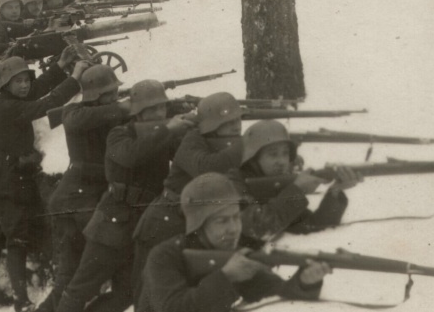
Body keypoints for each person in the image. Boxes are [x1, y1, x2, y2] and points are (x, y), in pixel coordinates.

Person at [55, 80, 195, 312]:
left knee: (127, 294)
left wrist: (196, 132)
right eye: (152, 109)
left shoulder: (163, 135)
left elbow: (185, 158)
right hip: (112, 223)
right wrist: (168, 129)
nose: (158, 113)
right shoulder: (119, 134)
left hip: (143, 226)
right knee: (80, 288)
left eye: (161, 108)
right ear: (137, 112)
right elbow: (131, 156)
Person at [0, 52, 88, 311]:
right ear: (6, 84)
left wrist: (59, 67)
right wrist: (75, 77)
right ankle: (21, 301)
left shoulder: (5, 99)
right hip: (6, 176)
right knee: (16, 236)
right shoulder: (8, 106)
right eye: (19, 81)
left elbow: (37, 90)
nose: (25, 85)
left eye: (26, 79)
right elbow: (45, 103)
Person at [139, 173, 329, 312]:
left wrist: (305, 282)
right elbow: (173, 309)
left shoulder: (232, 254)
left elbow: (275, 289)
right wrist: (226, 277)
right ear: (199, 226)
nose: (233, 228)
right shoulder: (164, 256)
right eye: (222, 221)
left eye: (236, 217)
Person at [132, 93, 245, 307]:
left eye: (238, 120)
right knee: (148, 297)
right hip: (163, 222)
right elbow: (205, 167)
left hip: (190, 224)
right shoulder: (193, 140)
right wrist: (243, 148)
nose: (236, 126)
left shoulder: (227, 145)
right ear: (211, 124)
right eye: (228, 122)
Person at [36, 65, 131, 312]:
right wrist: (123, 107)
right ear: (95, 96)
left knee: (71, 282)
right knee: (76, 280)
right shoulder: (75, 112)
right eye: (111, 94)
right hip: (74, 204)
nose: (116, 98)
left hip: (77, 202)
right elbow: (76, 119)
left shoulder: (106, 114)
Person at [238, 120, 363, 247]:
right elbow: (258, 227)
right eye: (273, 154)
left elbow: (311, 227)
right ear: (253, 159)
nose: (281, 161)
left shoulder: (278, 184)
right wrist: (297, 190)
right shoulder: (232, 184)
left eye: (285, 153)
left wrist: (335, 191)